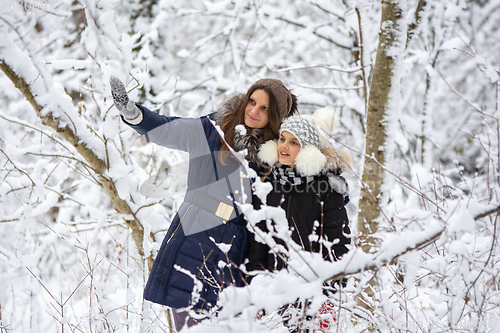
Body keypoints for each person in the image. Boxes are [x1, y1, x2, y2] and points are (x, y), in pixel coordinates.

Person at [110, 76, 297, 330]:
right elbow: (167, 128)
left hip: (235, 262)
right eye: (252, 101)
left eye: (264, 108)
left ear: (274, 117)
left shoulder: (273, 158)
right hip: (193, 244)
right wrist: (134, 115)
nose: (254, 110)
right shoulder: (213, 129)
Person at [245, 108, 352, 332]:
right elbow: (259, 241)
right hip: (275, 292)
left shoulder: (326, 189)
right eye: (282, 139)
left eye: (293, 143)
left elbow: (338, 246)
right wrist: (257, 284)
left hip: (313, 294)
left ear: (308, 151)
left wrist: (330, 295)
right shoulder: (269, 184)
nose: (283, 146)